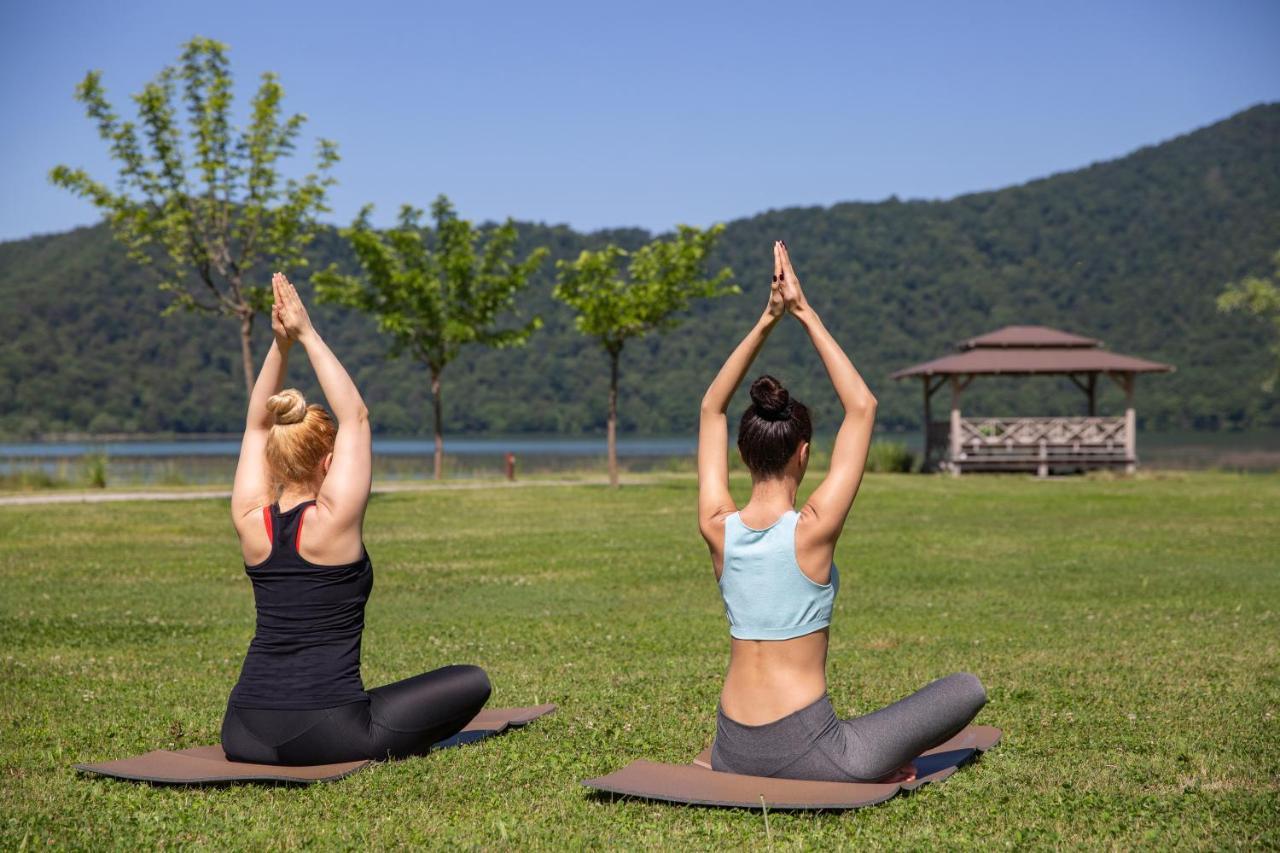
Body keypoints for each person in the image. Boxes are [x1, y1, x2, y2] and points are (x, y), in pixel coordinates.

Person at [698, 242, 987, 783]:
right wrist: (803, 311)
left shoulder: (718, 528)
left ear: (742, 454)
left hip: (730, 749)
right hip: (812, 754)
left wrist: (767, 319)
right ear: (804, 454)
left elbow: (712, 408)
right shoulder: (812, 530)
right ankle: (860, 757)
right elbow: (863, 406)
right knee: (965, 689)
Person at [221, 273, 491, 765]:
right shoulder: (333, 523)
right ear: (329, 462)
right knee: (472, 680)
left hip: (242, 730)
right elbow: (357, 417)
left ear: (275, 460)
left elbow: (257, 422)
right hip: (327, 731)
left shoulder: (250, 521)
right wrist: (304, 332)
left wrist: (279, 345)